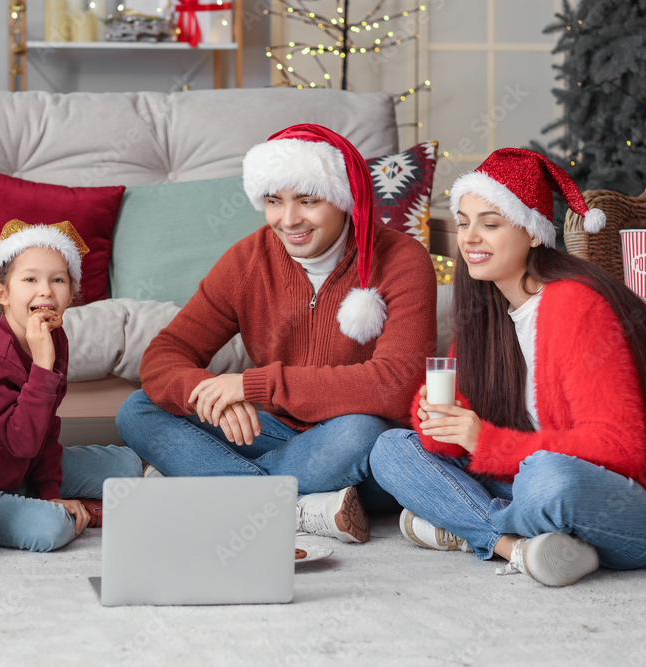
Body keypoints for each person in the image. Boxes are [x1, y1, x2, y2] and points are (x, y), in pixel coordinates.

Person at [369, 148, 646, 586]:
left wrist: (485, 440)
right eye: (464, 223)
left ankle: (464, 527)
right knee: (392, 449)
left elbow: (620, 448)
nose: (470, 238)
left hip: (644, 506)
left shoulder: (573, 304)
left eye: (490, 224)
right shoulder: (484, 317)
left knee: (547, 479)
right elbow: (451, 446)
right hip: (534, 487)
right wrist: (439, 421)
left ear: (534, 234)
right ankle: (513, 545)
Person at [116, 124, 438, 543]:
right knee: (138, 409)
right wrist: (212, 392)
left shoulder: (401, 259)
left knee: (364, 430)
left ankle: (218, 487)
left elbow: (396, 385)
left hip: (350, 449)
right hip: (267, 432)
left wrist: (252, 385)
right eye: (274, 202)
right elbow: (166, 353)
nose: (289, 221)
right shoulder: (248, 260)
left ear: (344, 199)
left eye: (308, 201)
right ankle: (299, 507)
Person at [0, 219, 142, 552]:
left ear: (70, 295)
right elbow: (24, 440)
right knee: (51, 528)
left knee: (128, 465)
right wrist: (43, 365)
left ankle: (34, 498)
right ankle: (71, 510)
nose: (45, 290)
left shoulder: (53, 338)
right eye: (30, 279)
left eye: (58, 280)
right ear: (3, 294)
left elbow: (45, 426)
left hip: (19, 468)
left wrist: (50, 492)